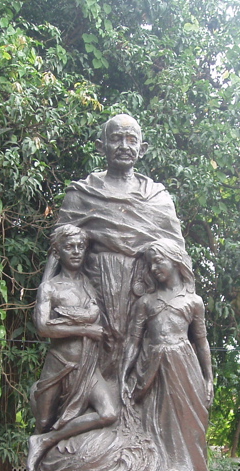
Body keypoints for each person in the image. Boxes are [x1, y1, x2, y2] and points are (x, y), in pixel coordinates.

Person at [57, 114, 185, 378]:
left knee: (139, 356)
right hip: (94, 289)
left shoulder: (157, 197)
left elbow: (177, 253)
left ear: (143, 148)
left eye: (131, 139)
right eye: (116, 139)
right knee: (97, 353)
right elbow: (59, 245)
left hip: (146, 288)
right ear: (101, 145)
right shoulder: (82, 193)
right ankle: (97, 411)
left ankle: (131, 409)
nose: (124, 146)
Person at [119, 239, 215, 471]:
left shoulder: (193, 302)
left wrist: (208, 378)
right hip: (153, 372)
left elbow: (201, 342)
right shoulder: (146, 303)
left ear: (174, 261)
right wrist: (125, 373)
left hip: (185, 371)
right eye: (150, 263)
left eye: (158, 260)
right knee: (155, 429)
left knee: (190, 434)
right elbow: (133, 343)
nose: (153, 268)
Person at [27, 225, 117, 471]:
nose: (76, 252)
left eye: (80, 246)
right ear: (58, 251)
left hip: (88, 367)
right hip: (60, 365)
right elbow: (44, 327)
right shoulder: (51, 288)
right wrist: (85, 331)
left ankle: (44, 441)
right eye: (69, 247)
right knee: (43, 421)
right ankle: (41, 462)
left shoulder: (89, 284)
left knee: (108, 413)